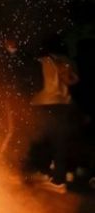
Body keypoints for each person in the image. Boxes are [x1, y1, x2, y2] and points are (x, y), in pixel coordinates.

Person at [26, 53, 79, 193]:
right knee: (59, 142)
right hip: (63, 104)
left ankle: (49, 175)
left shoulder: (41, 60)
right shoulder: (65, 59)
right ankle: (57, 178)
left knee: (42, 140)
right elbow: (74, 80)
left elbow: (33, 83)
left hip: (44, 102)